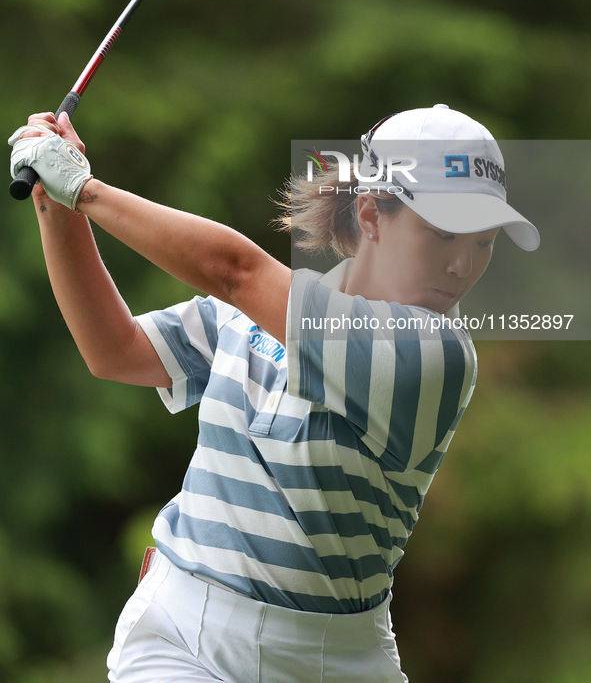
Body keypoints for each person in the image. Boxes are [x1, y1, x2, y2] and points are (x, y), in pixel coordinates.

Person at [9, 103, 539, 683]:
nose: (463, 264)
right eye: (442, 234)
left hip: (333, 660)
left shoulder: (433, 354)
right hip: (181, 633)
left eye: (484, 242)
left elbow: (234, 270)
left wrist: (84, 189)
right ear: (372, 215)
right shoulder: (269, 309)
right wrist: (56, 208)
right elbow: (115, 351)